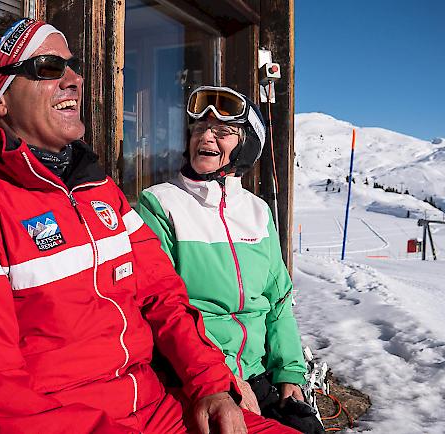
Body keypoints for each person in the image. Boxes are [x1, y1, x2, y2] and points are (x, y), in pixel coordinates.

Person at [0, 16, 299, 434]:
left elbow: (162, 294)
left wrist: (211, 384)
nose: (74, 78)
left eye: (72, 66)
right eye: (49, 68)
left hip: (158, 407)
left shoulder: (97, 189)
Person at [137, 86, 324, 433]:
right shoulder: (160, 205)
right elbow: (163, 308)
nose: (205, 136)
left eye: (222, 132)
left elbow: (278, 298)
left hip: (257, 372)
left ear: (246, 145)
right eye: (198, 129)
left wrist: (289, 372)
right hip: (196, 377)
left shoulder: (257, 211)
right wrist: (220, 379)